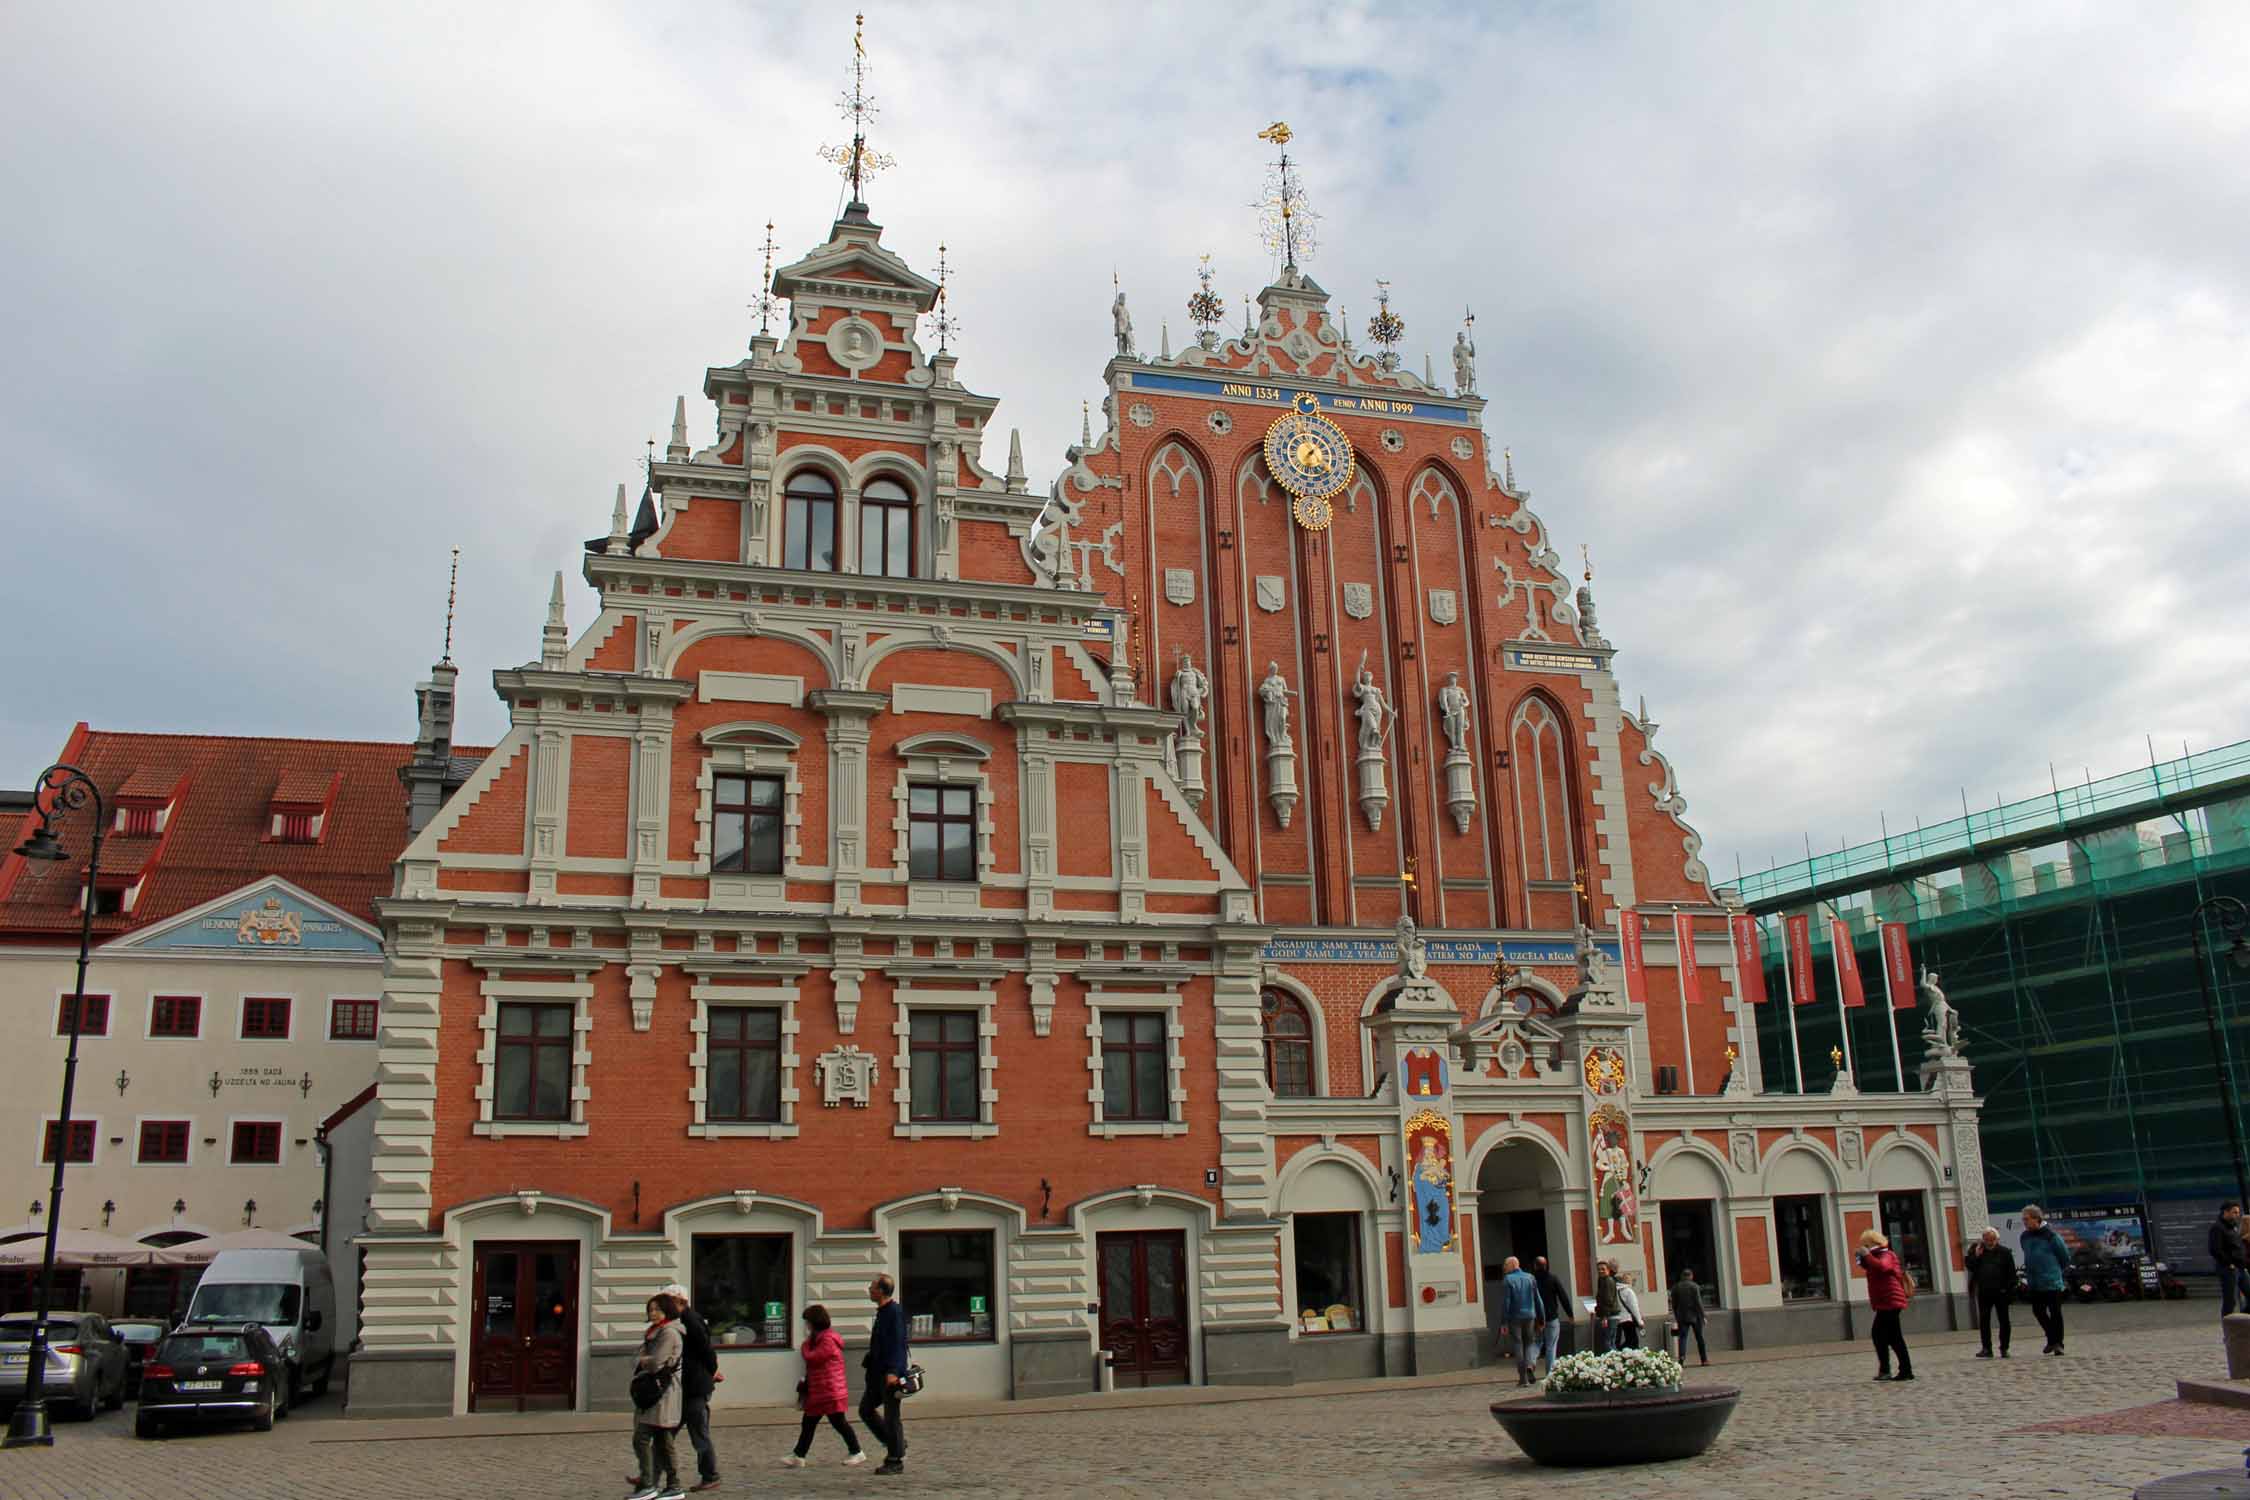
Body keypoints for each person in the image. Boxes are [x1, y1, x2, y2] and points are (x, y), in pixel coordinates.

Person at [654, 1285, 721, 1493]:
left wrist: (712, 1371)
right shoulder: (677, 1321)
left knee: (698, 1435)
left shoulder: (690, 1320)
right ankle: (648, 1476)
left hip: (693, 1388)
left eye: (669, 1301)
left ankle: (710, 1475)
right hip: (682, 1387)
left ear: (680, 1301)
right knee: (665, 1434)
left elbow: (706, 1350)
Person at [781, 1303, 865, 1469]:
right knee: (809, 1423)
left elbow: (814, 1358)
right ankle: (799, 1455)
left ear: (814, 1322)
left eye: (807, 1322)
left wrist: (805, 1347)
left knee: (838, 1422)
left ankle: (857, 1452)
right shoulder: (820, 1339)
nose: (806, 1326)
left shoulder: (827, 1340)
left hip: (830, 1390)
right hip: (820, 1390)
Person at [629, 1295, 687, 1500]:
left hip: (663, 1393)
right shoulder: (655, 1332)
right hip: (655, 1393)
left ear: (667, 1311)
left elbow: (655, 1363)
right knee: (663, 1441)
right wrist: (645, 1359)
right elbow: (639, 1359)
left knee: (642, 1438)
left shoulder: (669, 1332)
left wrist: (644, 1360)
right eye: (650, 1310)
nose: (652, 1313)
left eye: (657, 1310)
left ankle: (649, 1484)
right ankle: (673, 1485)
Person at [859, 1273, 910, 1476]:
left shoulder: (893, 1312)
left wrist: (893, 1372)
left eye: (872, 1287)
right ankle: (895, 1443)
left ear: (881, 1291)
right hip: (876, 1374)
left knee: (892, 1416)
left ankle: (895, 1459)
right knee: (865, 1409)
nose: (869, 1290)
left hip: (889, 1375)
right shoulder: (882, 1311)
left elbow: (898, 1343)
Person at [1857, 1228, 1915, 1381]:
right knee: (1892, 1336)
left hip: (1891, 1301)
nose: (1865, 1247)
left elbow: (1883, 1267)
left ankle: (1890, 1370)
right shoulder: (1876, 1256)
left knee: (1880, 1334)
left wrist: (1867, 1256)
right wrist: (1864, 1259)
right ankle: (1902, 1370)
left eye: (1866, 1244)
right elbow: (1872, 1267)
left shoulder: (1886, 1254)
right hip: (1885, 1301)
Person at [2019, 1204, 2071, 1356]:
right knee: (2038, 1311)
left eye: (2027, 1219)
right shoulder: (2025, 1236)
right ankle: (2052, 1338)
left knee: (2055, 1312)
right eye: (2023, 1220)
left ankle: (2058, 1344)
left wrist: (2054, 1272)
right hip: (2034, 1282)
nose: (2025, 1223)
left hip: (2051, 1281)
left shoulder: (2052, 1236)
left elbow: (2064, 1257)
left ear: (2037, 1219)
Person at [1966, 1226, 2017, 1358]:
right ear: (1983, 1240)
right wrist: (1976, 1256)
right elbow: (1970, 1267)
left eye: (1993, 1239)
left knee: (2004, 1320)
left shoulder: (2005, 1252)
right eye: (1987, 1239)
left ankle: (2004, 1348)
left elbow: (2012, 1274)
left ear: (1997, 1239)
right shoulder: (1978, 1251)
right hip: (1984, 1291)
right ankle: (1986, 1348)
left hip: (2001, 1291)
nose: (1990, 1242)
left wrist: (2008, 1290)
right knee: (1984, 1320)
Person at [1499, 1255, 1544, 1386]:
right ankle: (1529, 1365)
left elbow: (1506, 1302)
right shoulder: (1530, 1277)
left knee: (1518, 1344)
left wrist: (1503, 1322)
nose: (1503, 1268)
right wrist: (1541, 1318)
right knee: (1529, 1343)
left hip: (1514, 1317)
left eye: (1505, 1265)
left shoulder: (1507, 1279)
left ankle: (1523, 1378)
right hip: (1530, 1315)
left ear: (1512, 1265)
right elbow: (1538, 1299)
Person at [2209, 1202, 2249, 1318]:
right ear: (2225, 1212)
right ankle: (2229, 1329)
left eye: (2238, 1212)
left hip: (2240, 1268)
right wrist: (2229, 1263)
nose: (2237, 1215)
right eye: (2234, 1212)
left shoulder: (2232, 1227)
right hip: (2228, 1269)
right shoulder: (2217, 1228)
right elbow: (2215, 1249)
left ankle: (2244, 1321)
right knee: (2230, 1301)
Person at [1531, 1256, 1570, 1376]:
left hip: (1536, 1318)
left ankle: (1531, 1363)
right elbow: (1563, 1296)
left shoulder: (1531, 1280)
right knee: (1551, 1346)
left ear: (1535, 1266)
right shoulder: (1553, 1278)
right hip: (1551, 1317)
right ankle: (1549, 1374)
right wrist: (1570, 1314)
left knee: (1537, 1342)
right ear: (1546, 1265)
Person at [1670, 1268, 1709, 1366]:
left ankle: (1681, 1359)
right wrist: (1703, 1315)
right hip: (1695, 1316)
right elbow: (1698, 1303)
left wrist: (1676, 1315)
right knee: (1699, 1338)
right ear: (1691, 1276)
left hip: (1682, 1317)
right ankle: (1704, 1360)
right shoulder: (1695, 1286)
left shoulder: (1676, 1287)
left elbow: (1674, 1304)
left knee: (1682, 1338)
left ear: (1682, 1276)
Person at [1592, 1260, 1619, 1353]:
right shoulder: (1602, 1280)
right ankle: (1616, 1361)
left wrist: (1604, 1316)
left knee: (1608, 1343)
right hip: (1609, 1315)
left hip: (1610, 1316)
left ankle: (1618, 1361)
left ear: (1608, 1270)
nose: (1600, 1271)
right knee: (1610, 1342)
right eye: (1598, 1269)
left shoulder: (1608, 1281)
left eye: (1603, 1269)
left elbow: (1608, 1300)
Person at [1614, 1270, 1643, 1349]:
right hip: (1628, 1319)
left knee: (1625, 1340)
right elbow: (1634, 1307)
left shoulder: (1616, 1291)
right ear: (1628, 1281)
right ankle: (1627, 1355)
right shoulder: (1629, 1291)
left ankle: (1620, 1352)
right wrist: (1640, 1321)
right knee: (1633, 1341)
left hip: (1619, 1319)